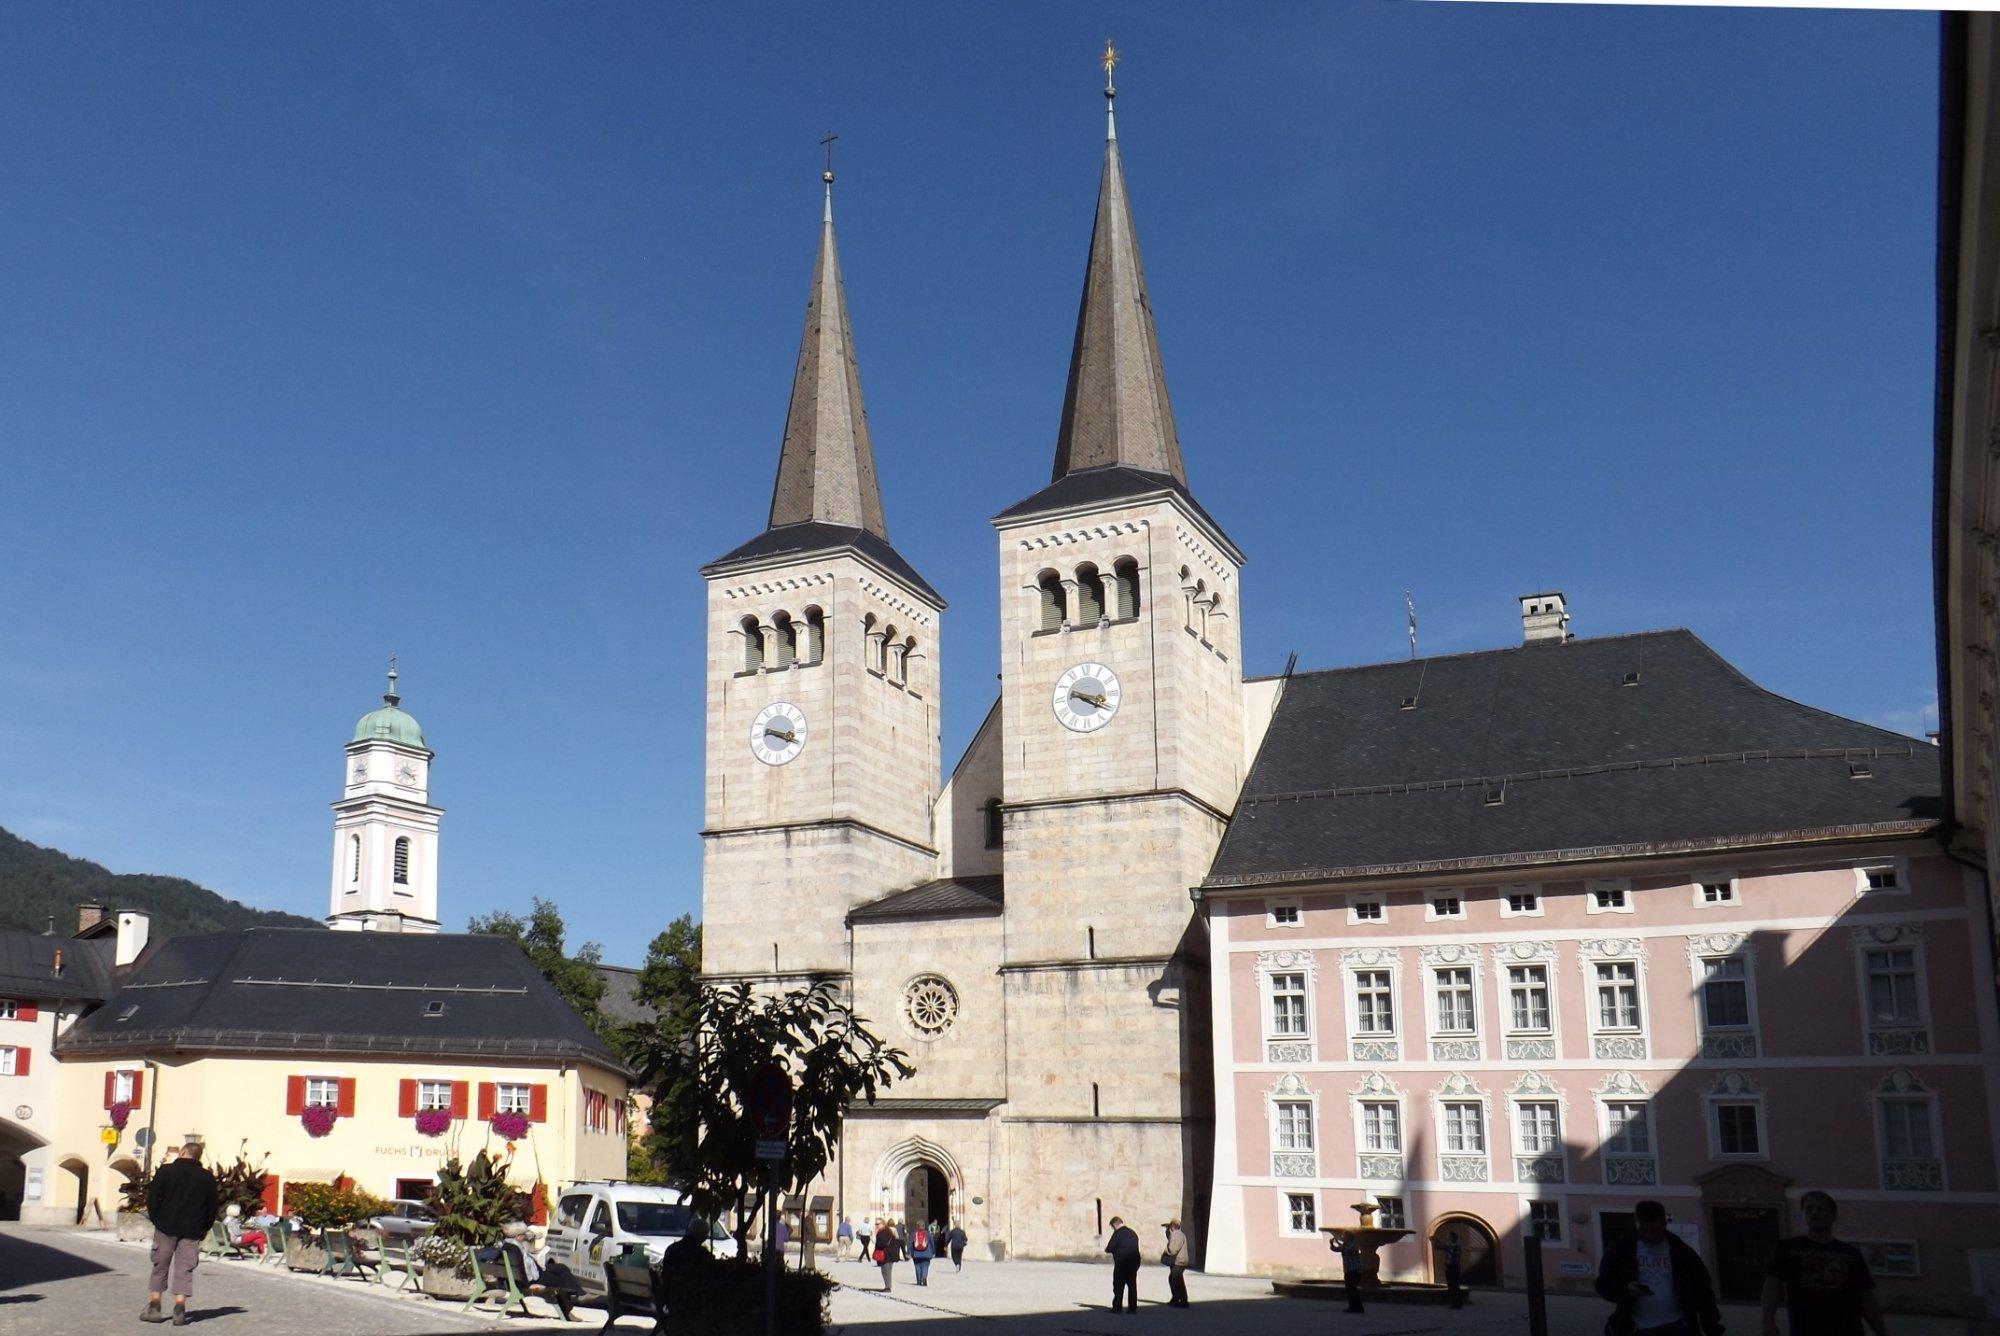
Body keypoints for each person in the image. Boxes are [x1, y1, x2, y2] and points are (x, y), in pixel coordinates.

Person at [1762, 1192, 1888, 1336]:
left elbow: (1866, 1298)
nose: (1814, 1212)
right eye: (1809, 1208)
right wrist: (1768, 1321)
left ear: (1833, 1216)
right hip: (1805, 1330)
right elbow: (1772, 1287)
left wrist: (1882, 1332)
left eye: (1821, 1209)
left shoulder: (1850, 1253)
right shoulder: (1787, 1248)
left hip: (1847, 1330)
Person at [1595, 1200, 1724, 1336]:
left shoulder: (1682, 1252)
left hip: (1678, 1327)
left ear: (1664, 1224)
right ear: (1636, 1223)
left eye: (1654, 1231)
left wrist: (1712, 1328)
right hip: (1636, 1328)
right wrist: (1626, 1290)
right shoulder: (1620, 1249)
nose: (1648, 1235)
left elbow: (1703, 1292)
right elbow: (1603, 1285)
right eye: (1643, 1230)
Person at [144, 1140, 219, 1326]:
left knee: (160, 1264)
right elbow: (212, 1208)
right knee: (185, 1268)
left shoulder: (166, 1171)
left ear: (183, 1152)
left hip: (166, 1226)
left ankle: (155, 1305)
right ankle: (179, 1306)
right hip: (192, 1229)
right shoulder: (207, 1177)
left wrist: (157, 1219)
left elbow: (152, 1198)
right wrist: (204, 1228)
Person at [500, 1220, 583, 1321]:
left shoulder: (508, 1245)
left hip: (531, 1275)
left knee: (561, 1268)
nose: (524, 1237)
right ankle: (570, 1308)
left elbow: (521, 1269)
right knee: (561, 1280)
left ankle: (577, 1291)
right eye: (523, 1235)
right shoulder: (515, 1249)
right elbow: (522, 1270)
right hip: (532, 1280)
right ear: (517, 1236)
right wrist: (528, 1285)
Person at [1105, 1215, 1142, 1313]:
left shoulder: (1118, 1234)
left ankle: (1117, 1307)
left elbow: (1110, 1247)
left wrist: (1108, 1250)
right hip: (1134, 1262)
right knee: (1132, 1286)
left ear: (1114, 1225)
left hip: (1122, 1263)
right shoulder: (1132, 1233)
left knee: (1118, 1286)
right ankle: (1132, 1308)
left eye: (1112, 1227)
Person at [1162, 1219, 1191, 1308]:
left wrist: (1166, 1250)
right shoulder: (1179, 1234)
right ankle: (1180, 1299)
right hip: (1180, 1261)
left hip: (1179, 1262)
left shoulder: (1176, 1235)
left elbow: (1172, 1250)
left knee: (1174, 1280)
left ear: (1172, 1226)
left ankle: (1179, 1299)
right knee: (1178, 1280)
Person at [1338, 1233, 1365, 1314]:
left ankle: (1358, 1307)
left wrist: (1338, 1243)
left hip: (1354, 1270)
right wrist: (1332, 1243)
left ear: (1349, 1237)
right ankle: (1352, 1307)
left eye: (1344, 1236)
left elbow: (1346, 1249)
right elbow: (1336, 1249)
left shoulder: (1353, 1245)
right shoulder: (1346, 1245)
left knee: (1352, 1290)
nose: (1343, 1237)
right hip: (1348, 1270)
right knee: (1350, 1290)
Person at [873, 1219, 900, 1292]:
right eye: (876, 1224)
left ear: (883, 1224)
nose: (876, 1226)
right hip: (889, 1253)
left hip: (886, 1254)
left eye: (878, 1224)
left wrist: (877, 1244)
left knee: (886, 1271)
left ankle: (888, 1287)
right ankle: (887, 1286)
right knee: (886, 1271)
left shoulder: (883, 1232)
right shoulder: (887, 1231)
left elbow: (883, 1243)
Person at [1440, 1230, 1464, 1310]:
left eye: (1449, 1237)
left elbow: (1447, 1248)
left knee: (1453, 1286)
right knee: (1453, 1286)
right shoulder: (1453, 1245)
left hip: (1453, 1267)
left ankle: (1456, 1304)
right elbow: (1445, 1247)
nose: (1447, 1238)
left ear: (1452, 1238)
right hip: (1453, 1267)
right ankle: (1456, 1303)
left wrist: (1439, 1244)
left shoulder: (1455, 1245)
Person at [910, 1221, 934, 1286]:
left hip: (916, 1253)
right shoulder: (928, 1234)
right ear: (924, 1226)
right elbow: (932, 1243)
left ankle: (919, 1281)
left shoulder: (914, 1233)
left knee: (917, 1266)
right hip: (926, 1253)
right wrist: (933, 1252)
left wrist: (910, 1252)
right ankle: (924, 1277)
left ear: (917, 1226)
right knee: (925, 1266)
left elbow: (910, 1243)